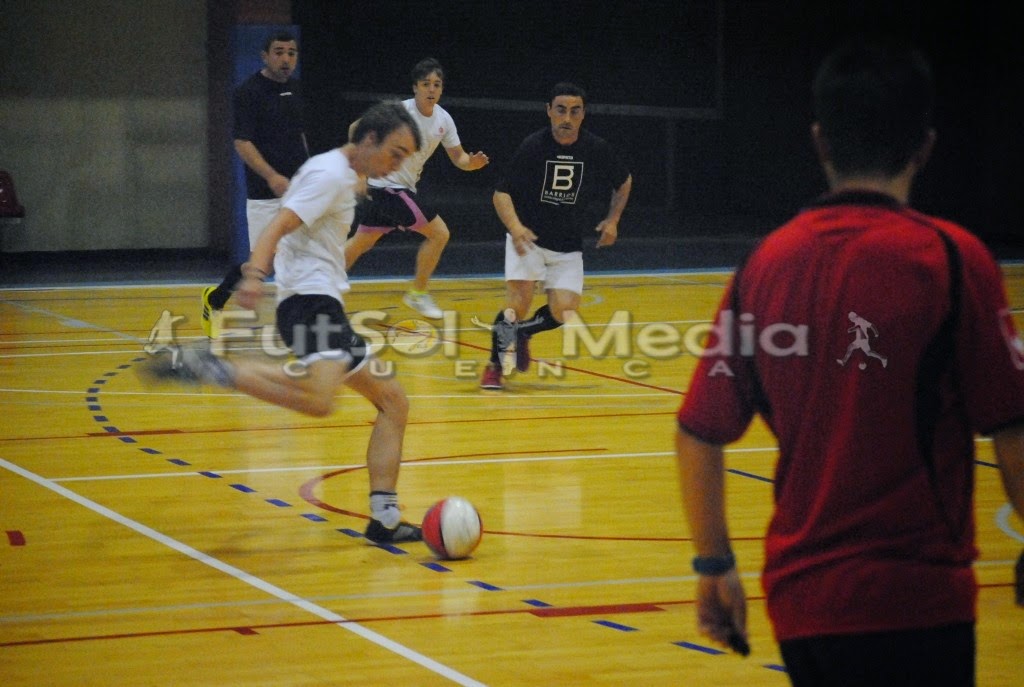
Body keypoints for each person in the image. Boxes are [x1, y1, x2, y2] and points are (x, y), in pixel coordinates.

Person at [674, 39, 1024, 686]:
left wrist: (713, 565)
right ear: (925, 146)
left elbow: (698, 430)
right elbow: (1012, 425)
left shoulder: (767, 264)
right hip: (924, 604)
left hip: (806, 606)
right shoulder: (957, 261)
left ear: (820, 142)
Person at [144, 101, 425, 544]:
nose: (398, 163)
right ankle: (216, 367)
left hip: (323, 301)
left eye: (406, 156)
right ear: (369, 140)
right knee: (318, 399)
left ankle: (384, 518)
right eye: (396, 152)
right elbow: (277, 225)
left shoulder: (343, 175)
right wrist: (254, 274)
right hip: (311, 305)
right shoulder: (329, 175)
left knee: (394, 402)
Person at [479, 82, 632, 390]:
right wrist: (516, 228)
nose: (567, 117)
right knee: (516, 305)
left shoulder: (596, 148)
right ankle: (494, 365)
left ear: (583, 114)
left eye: (575, 111)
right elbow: (501, 194)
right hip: (528, 239)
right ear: (549, 111)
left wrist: (613, 220)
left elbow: (624, 181)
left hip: (567, 243)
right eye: (561, 110)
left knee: (565, 309)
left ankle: (524, 332)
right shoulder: (533, 146)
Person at [343, 58, 490, 320]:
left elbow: (459, 158)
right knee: (439, 234)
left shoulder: (444, 119)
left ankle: (318, 288)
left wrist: (473, 163)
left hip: (400, 188)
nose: (431, 89)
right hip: (388, 188)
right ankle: (418, 294)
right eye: (426, 84)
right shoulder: (399, 112)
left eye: (436, 84)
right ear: (415, 88)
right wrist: (360, 170)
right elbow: (356, 128)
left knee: (359, 244)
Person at [201, 31, 309, 338]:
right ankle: (216, 297)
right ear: (265, 56)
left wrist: (310, 171)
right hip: (265, 193)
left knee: (301, 254)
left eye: (291, 52)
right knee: (263, 261)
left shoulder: (296, 90)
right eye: (279, 52)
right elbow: (242, 142)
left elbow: (301, 136)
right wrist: (271, 176)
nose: (286, 58)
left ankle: (297, 325)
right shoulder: (248, 92)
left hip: (300, 191)